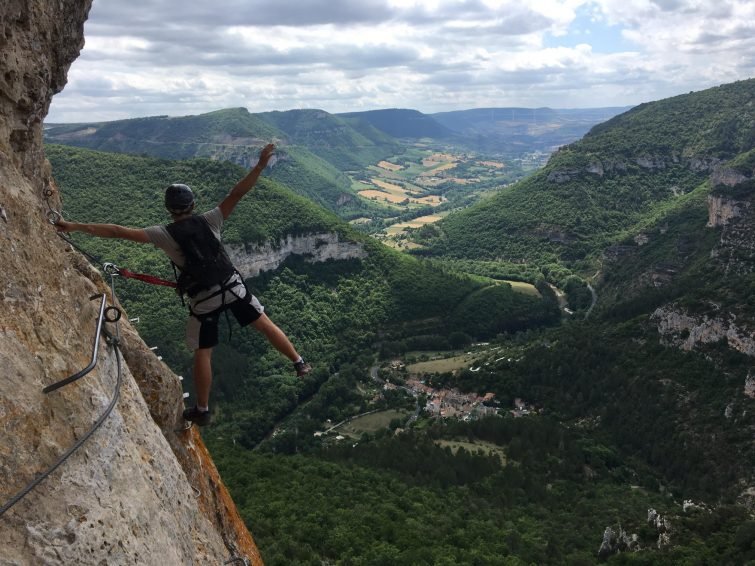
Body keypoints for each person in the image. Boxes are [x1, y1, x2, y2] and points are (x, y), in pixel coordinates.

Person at [55, 143, 311, 426]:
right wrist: (260, 165)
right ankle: (298, 361)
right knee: (263, 323)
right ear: (193, 205)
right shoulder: (211, 219)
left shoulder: (162, 234)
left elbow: (116, 231)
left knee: (204, 352)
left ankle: (202, 408)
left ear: (169, 210)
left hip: (205, 299)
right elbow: (237, 192)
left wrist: (74, 226)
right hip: (233, 286)